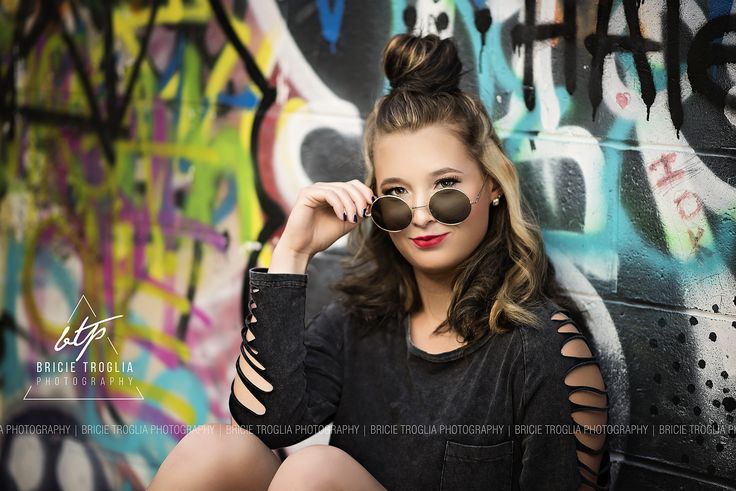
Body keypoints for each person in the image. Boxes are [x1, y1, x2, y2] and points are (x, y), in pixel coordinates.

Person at [149, 33, 610, 490]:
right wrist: (292, 253)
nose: (423, 215)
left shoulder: (544, 349)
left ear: (492, 185)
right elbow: (267, 424)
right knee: (215, 448)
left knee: (312, 473)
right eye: (396, 194)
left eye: (445, 186)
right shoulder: (360, 321)